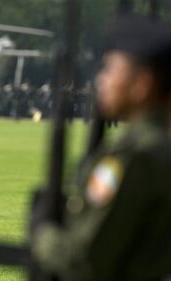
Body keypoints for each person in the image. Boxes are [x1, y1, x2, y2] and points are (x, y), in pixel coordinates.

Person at [31, 16, 171, 280]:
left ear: (141, 84)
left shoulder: (134, 156)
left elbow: (83, 263)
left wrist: (43, 231)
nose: (100, 81)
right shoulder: (160, 146)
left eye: (110, 70)